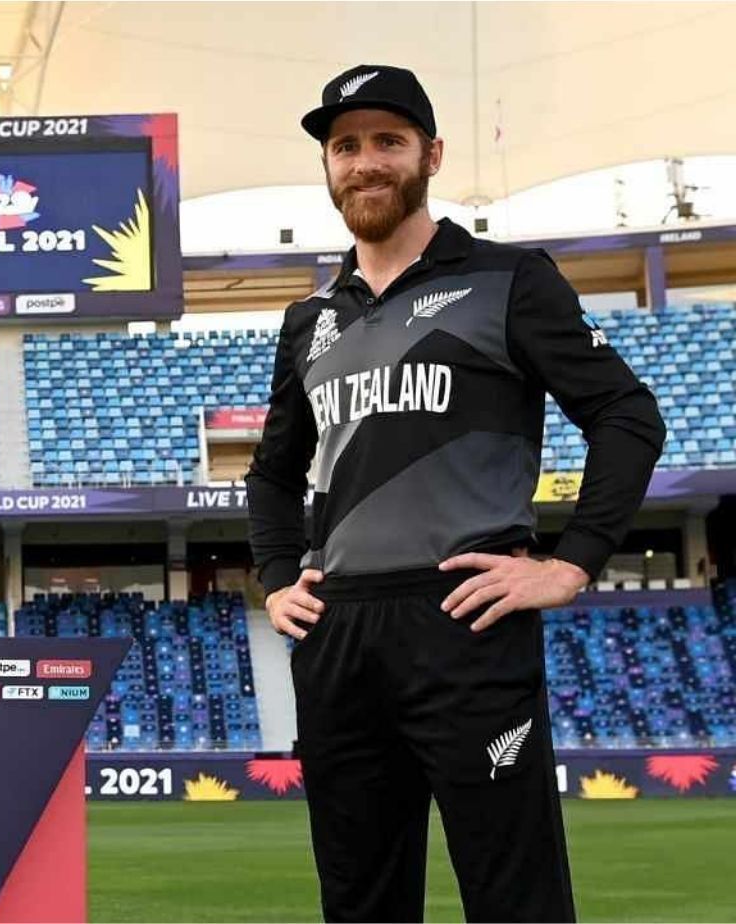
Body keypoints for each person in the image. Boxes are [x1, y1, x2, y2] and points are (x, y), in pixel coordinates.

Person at [246, 64, 665, 922]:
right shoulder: (310, 319)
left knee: (515, 899)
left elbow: (627, 415)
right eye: (345, 146)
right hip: (337, 634)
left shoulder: (510, 280)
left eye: (387, 142)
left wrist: (573, 563)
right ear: (328, 166)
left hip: (466, 621)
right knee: (360, 903)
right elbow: (272, 472)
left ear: (431, 155)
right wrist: (277, 574)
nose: (365, 163)